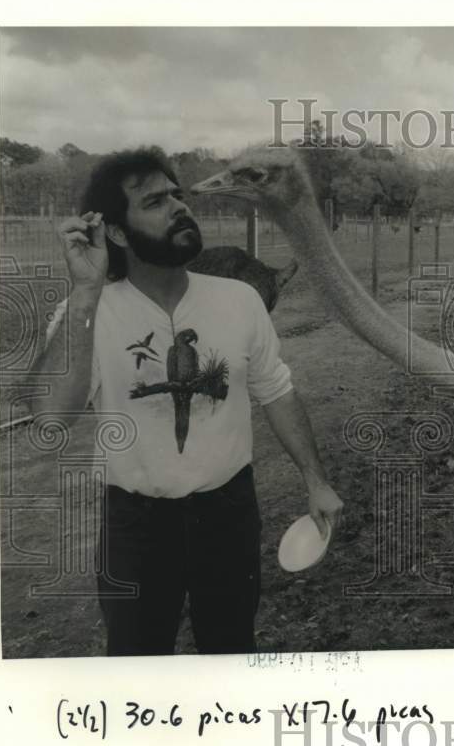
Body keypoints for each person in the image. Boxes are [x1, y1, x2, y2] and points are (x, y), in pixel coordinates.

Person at [32, 147, 343, 657]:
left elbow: (277, 392)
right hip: (135, 526)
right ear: (114, 232)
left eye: (177, 195)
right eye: (155, 201)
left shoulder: (238, 300)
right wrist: (85, 293)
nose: (180, 206)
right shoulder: (86, 312)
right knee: (137, 659)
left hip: (228, 514)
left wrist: (316, 480)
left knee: (230, 652)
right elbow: (51, 415)